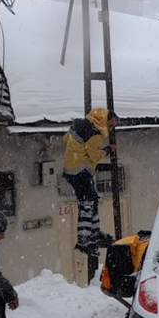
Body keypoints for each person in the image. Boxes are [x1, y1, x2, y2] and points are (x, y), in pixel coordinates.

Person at [62, 107, 119, 253]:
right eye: (111, 125)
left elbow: (65, 139)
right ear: (104, 120)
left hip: (71, 170)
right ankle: (84, 238)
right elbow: (94, 155)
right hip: (80, 171)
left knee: (92, 198)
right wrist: (106, 150)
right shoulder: (96, 133)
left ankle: (94, 232)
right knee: (87, 203)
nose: (111, 129)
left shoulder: (79, 125)